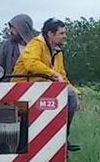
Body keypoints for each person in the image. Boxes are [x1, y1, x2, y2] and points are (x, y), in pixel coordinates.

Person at [12, 17, 81, 151]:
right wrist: (52, 74)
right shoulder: (36, 44)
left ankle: (61, 138)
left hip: (42, 89)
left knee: (72, 96)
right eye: (61, 33)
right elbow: (31, 63)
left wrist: (76, 92)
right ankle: (61, 138)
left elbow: (62, 75)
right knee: (70, 97)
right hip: (23, 88)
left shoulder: (57, 50)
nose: (64, 36)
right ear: (50, 34)